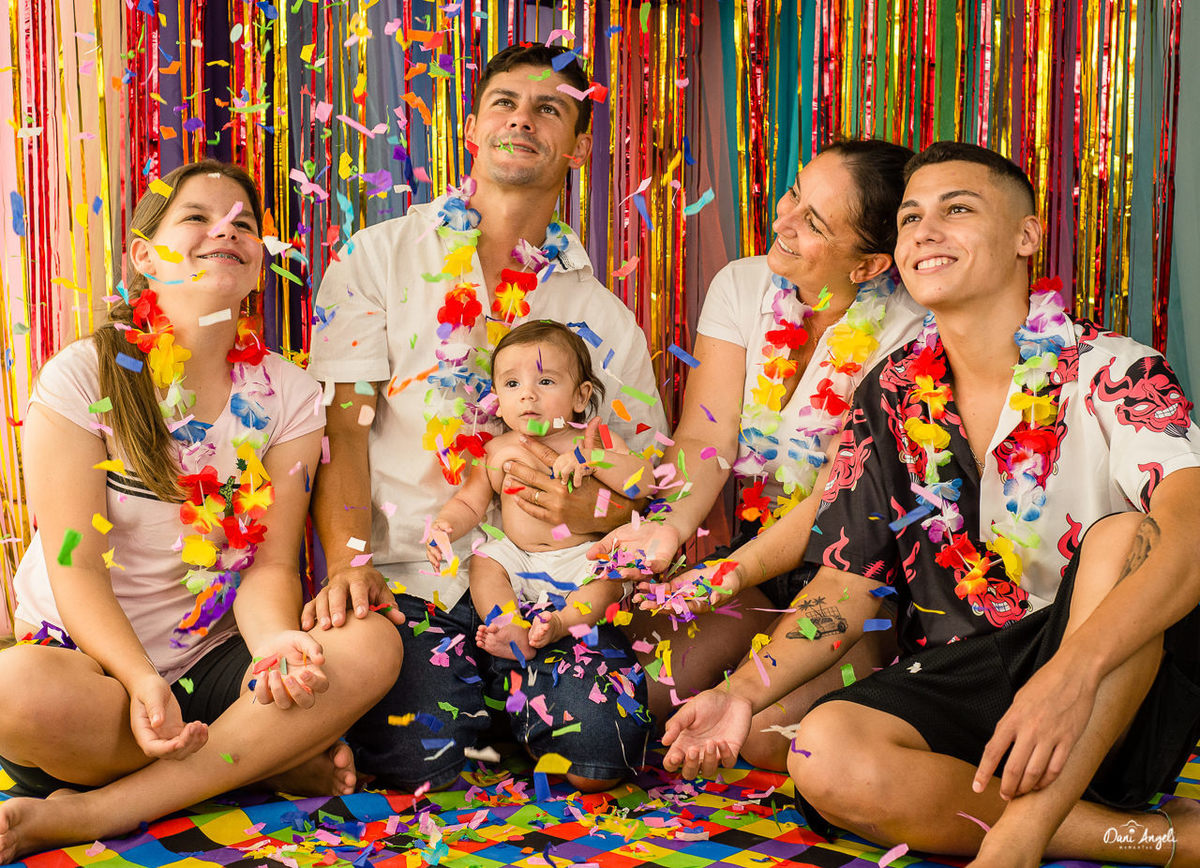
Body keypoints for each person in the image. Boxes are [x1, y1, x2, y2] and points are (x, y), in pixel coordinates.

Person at [663, 142, 1200, 866]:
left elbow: (1192, 527)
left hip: (1111, 689)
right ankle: (1159, 839)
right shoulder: (890, 392)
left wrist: (1069, 675)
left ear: (1026, 235)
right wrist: (741, 694)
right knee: (820, 750)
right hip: (962, 678)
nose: (925, 231)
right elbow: (846, 583)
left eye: (958, 209)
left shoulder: (1115, 369)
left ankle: (1014, 843)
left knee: (1125, 538)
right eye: (911, 217)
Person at [0, 160, 402, 862]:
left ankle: (94, 810)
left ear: (257, 265)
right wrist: (138, 680)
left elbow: (270, 566)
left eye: (243, 224)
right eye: (197, 217)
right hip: (92, 675)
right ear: (144, 256)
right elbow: (76, 567)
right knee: (13, 691)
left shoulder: (289, 394)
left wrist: (275, 648)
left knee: (371, 644)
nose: (226, 231)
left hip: (213, 665)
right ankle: (258, 761)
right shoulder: (81, 375)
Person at [303, 44, 665, 793]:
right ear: (472, 127)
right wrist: (348, 566)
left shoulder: (605, 318)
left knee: (601, 752)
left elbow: (642, 490)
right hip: (412, 581)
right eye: (505, 102)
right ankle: (479, 706)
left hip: (553, 591)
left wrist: (586, 511)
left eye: (549, 109)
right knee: (422, 761)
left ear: (579, 146)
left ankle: (521, 698)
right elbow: (343, 436)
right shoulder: (378, 258)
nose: (522, 120)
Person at [589, 139, 927, 768]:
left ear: (868, 265)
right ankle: (749, 647)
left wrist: (727, 576)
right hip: (757, 551)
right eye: (795, 192)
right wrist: (668, 532)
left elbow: (836, 496)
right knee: (646, 693)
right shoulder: (742, 285)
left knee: (769, 738)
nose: (783, 218)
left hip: (858, 576)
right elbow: (705, 439)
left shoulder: (912, 330)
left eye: (814, 222)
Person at [428, 320, 654, 661]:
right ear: (497, 400)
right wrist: (445, 527)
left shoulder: (596, 442)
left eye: (545, 381)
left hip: (583, 557)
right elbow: (469, 504)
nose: (527, 394)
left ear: (581, 396)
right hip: (520, 557)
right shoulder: (496, 451)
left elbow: (644, 482)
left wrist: (596, 460)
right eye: (512, 383)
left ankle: (562, 623)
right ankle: (510, 627)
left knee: (608, 580)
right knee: (485, 562)